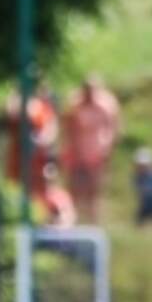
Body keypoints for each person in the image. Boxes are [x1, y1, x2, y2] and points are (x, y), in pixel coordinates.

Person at [61, 75, 120, 225]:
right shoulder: (74, 104)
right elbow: (67, 127)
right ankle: (73, 220)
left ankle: (93, 221)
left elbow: (112, 127)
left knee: (94, 190)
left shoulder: (106, 105)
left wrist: (107, 148)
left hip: (96, 154)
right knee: (74, 188)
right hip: (76, 153)